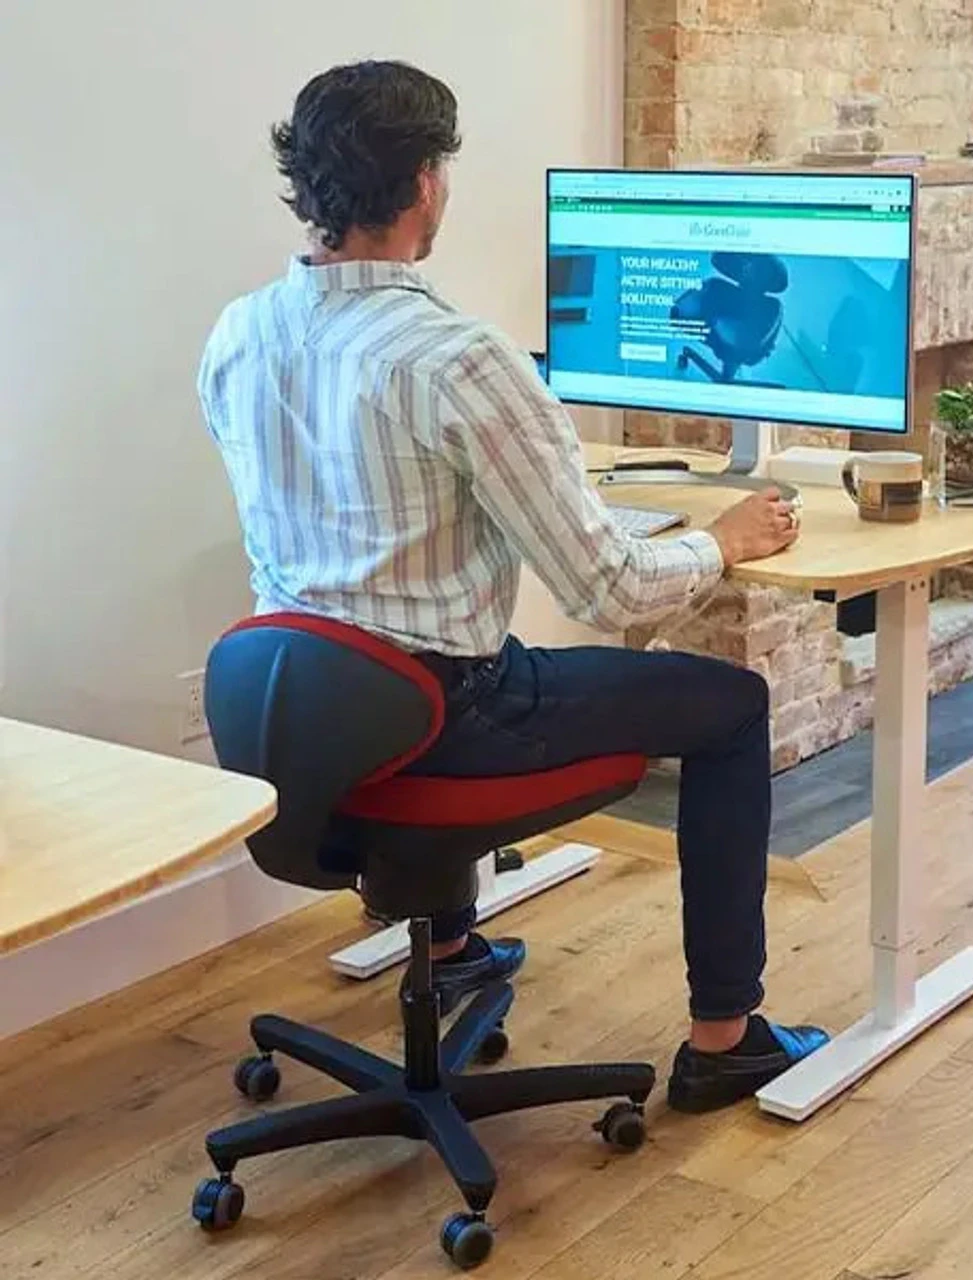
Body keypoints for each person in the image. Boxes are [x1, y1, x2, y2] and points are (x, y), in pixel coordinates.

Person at [198, 60, 828, 1113]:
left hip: (293, 713)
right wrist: (721, 542)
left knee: (430, 648)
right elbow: (608, 586)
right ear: (426, 183)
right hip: (447, 717)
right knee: (730, 705)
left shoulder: (238, 332)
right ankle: (726, 1037)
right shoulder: (458, 359)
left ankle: (448, 945)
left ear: (303, 183)